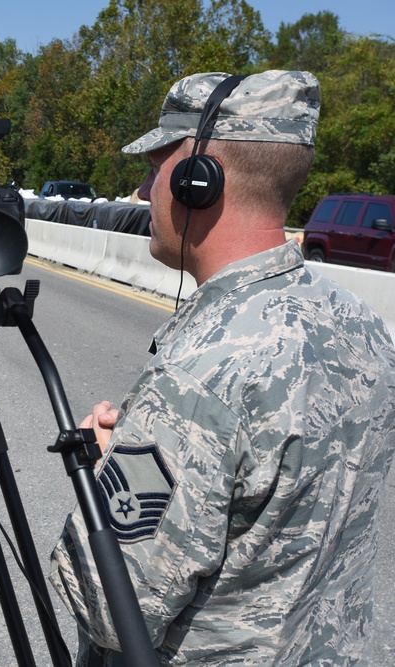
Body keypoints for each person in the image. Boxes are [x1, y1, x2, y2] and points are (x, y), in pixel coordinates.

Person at [50, 70, 395, 665]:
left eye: (155, 169)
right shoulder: (359, 323)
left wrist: (105, 475)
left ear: (196, 180)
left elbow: (113, 608)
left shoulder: (205, 375)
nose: (142, 191)